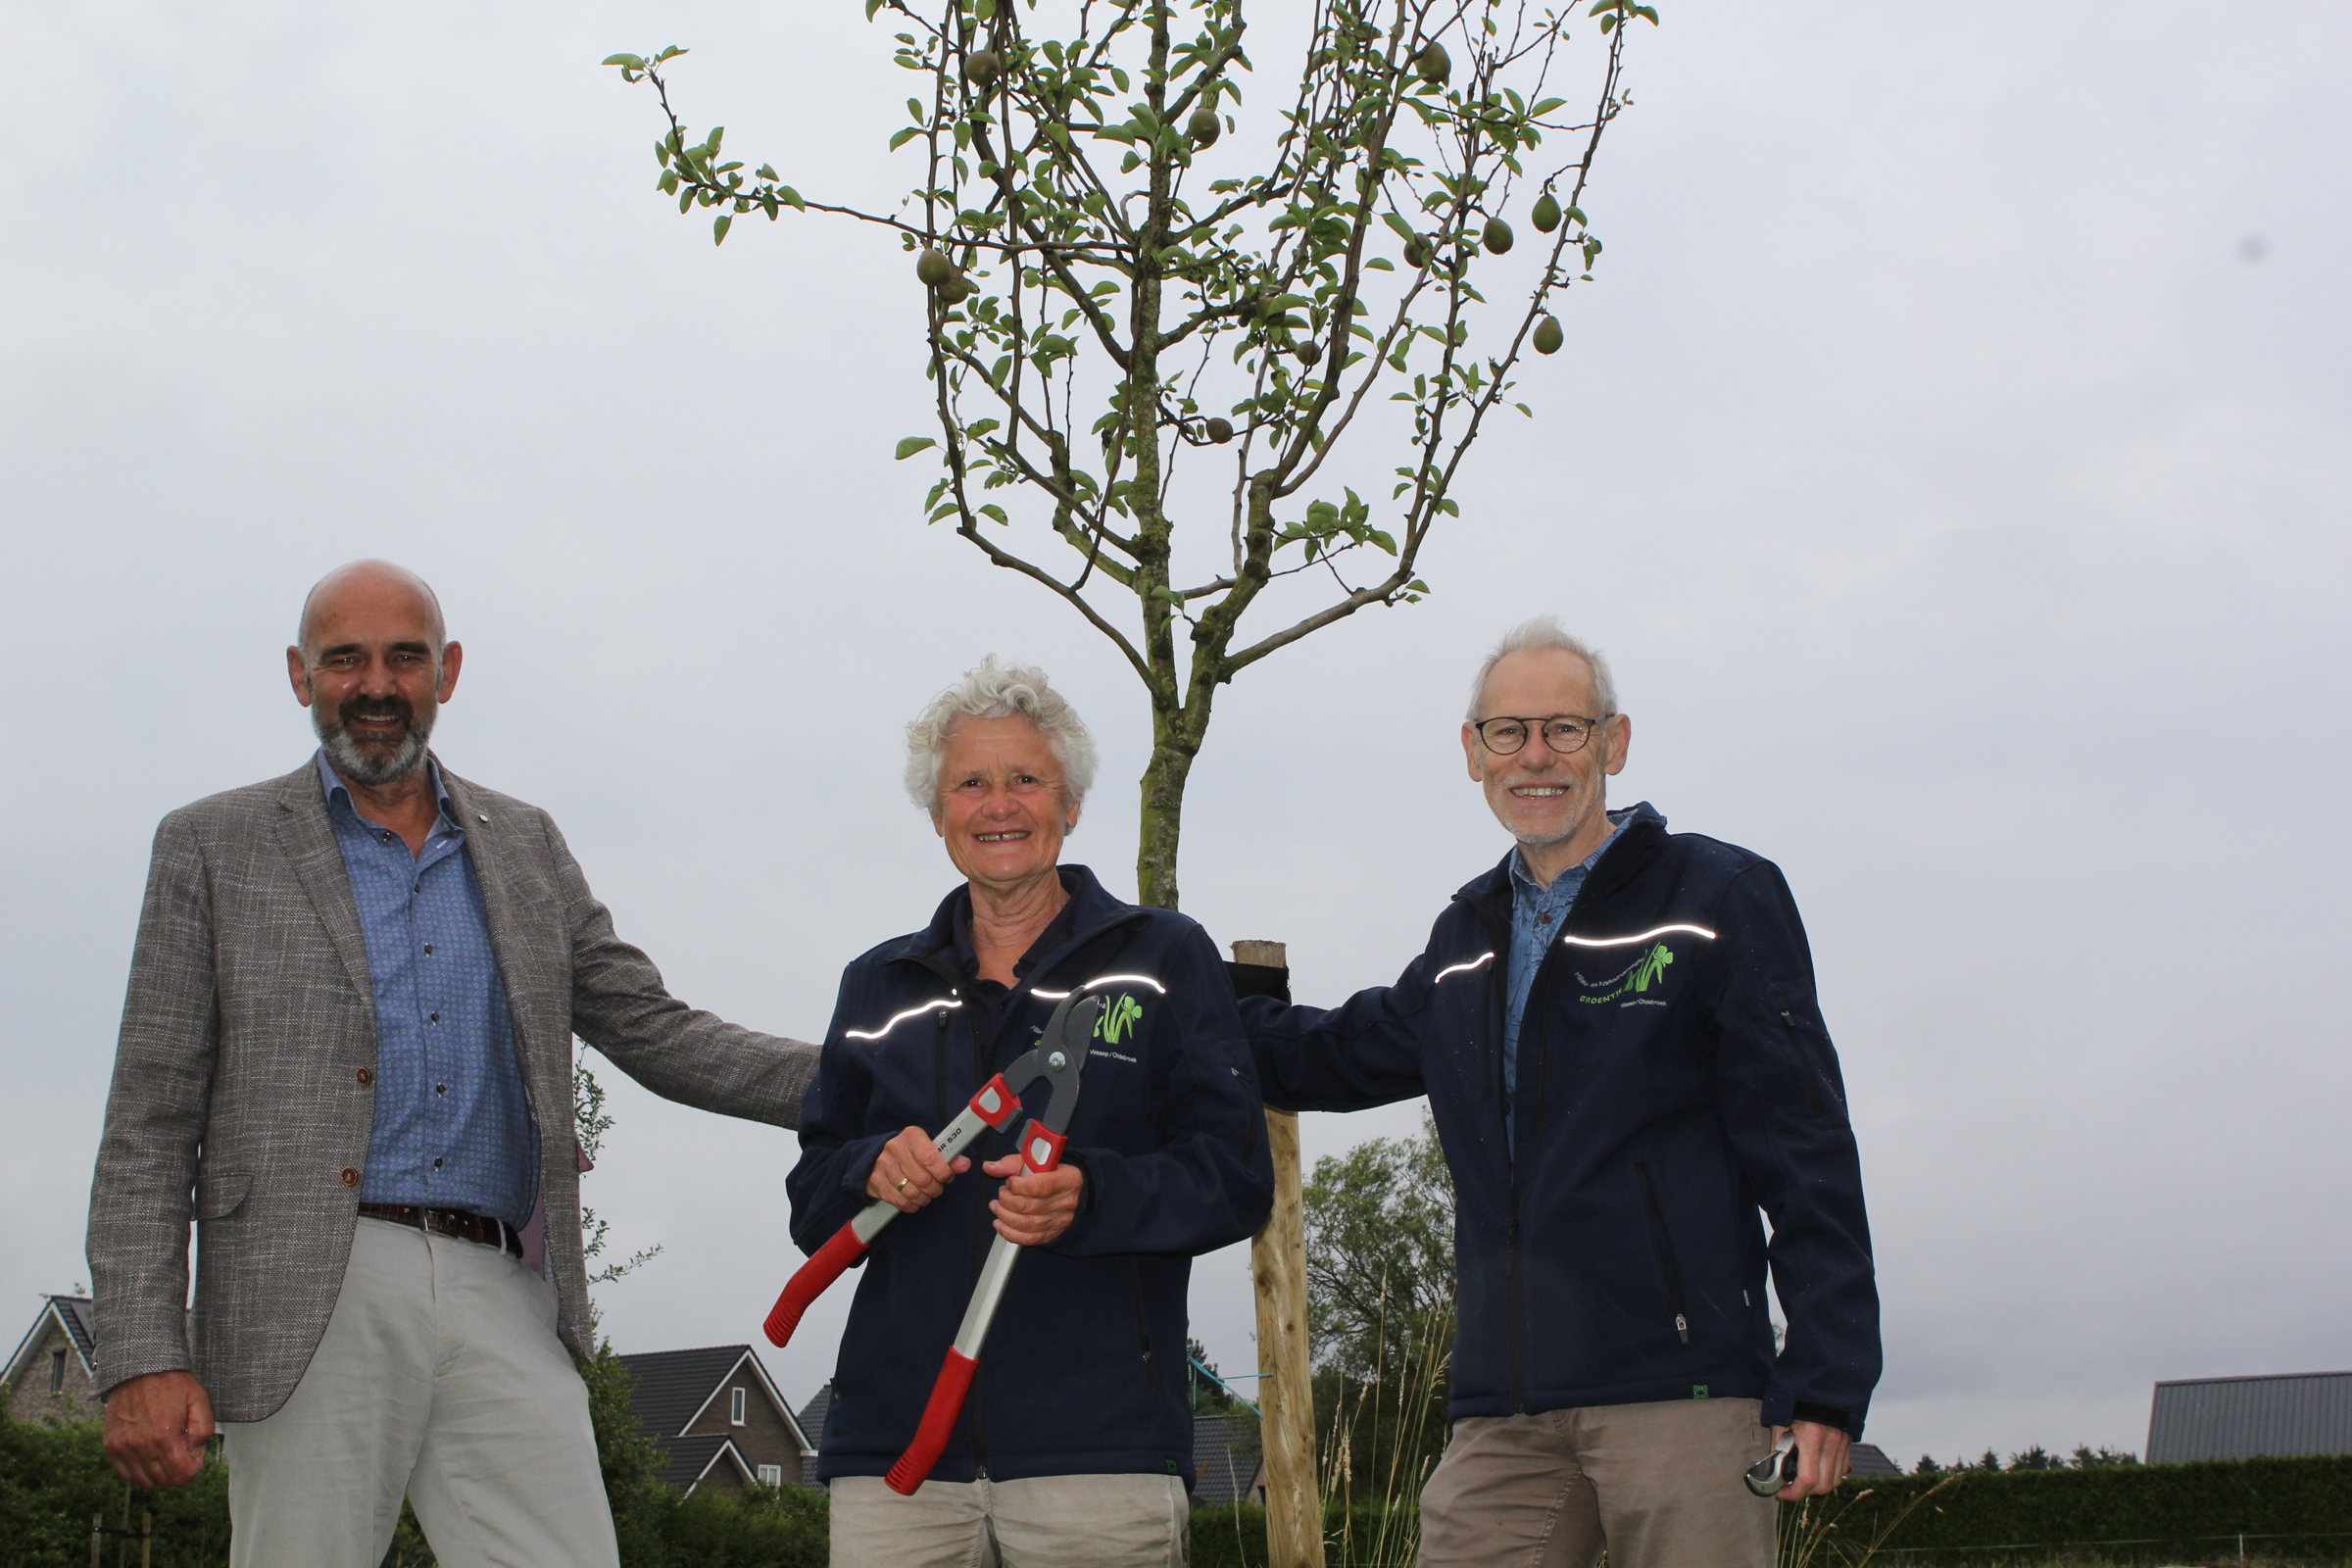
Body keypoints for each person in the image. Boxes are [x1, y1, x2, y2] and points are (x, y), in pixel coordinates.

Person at [86, 560, 820, 1568]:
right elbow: (148, 1125)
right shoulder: (213, 846)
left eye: (405, 656)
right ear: (300, 676)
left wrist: (868, 1079)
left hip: (503, 1286)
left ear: (449, 671)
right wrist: (141, 1351)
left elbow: (653, 1026)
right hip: (310, 1284)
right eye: (345, 658)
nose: (376, 683)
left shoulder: (525, 844)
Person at [1238, 617, 1880, 1568]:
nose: (1536, 756)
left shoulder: (1717, 898)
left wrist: (1826, 1375)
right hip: (1508, 1407)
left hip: (1682, 1391)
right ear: (1473, 753)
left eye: (1564, 729)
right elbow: (1336, 1053)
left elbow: (1806, 1145)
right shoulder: (1466, 938)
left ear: (1613, 743)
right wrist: (1201, 1000)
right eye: (1509, 732)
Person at [788, 657, 1271, 1568]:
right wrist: (868, 1170)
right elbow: (811, 1200)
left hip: (1102, 1458)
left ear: (1072, 804)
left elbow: (1236, 1178)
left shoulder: (1163, 955)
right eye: (971, 783)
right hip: (891, 1455)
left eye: (1025, 780)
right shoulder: (877, 983)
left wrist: (1089, 1198)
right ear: (939, 817)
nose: (998, 804)